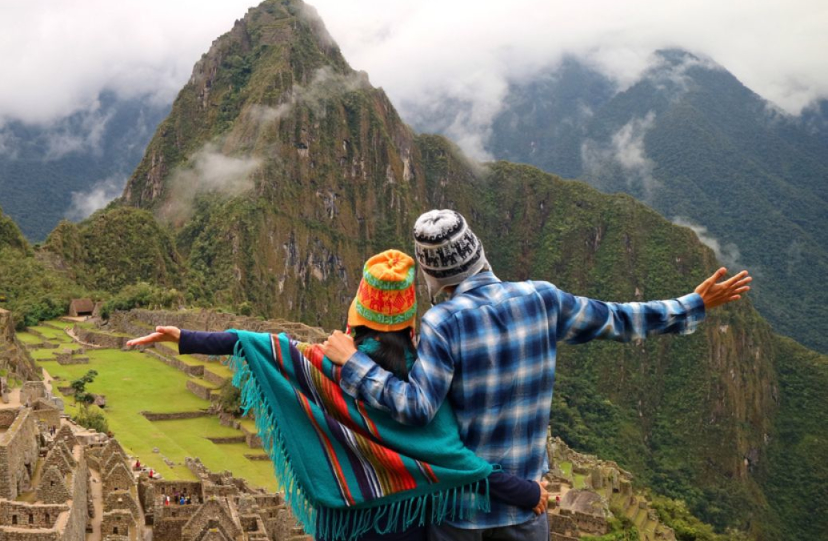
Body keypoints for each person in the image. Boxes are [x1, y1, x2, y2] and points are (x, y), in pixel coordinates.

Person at [320, 210, 751, 541]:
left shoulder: (443, 323)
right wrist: (692, 304)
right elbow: (619, 319)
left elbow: (416, 408)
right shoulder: (542, 299)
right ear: (480, 252)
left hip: (461, 512)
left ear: (431, 275)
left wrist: (353, 363)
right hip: (526, 504)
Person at [130, 250, 547, 541]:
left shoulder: (324, 367)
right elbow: (458, 461)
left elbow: (265, 346)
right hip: (406, 524)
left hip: (344, 525)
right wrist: (526, 493)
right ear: (410, 327)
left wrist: (185, 337)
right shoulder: (424, 380)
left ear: (355, 320)